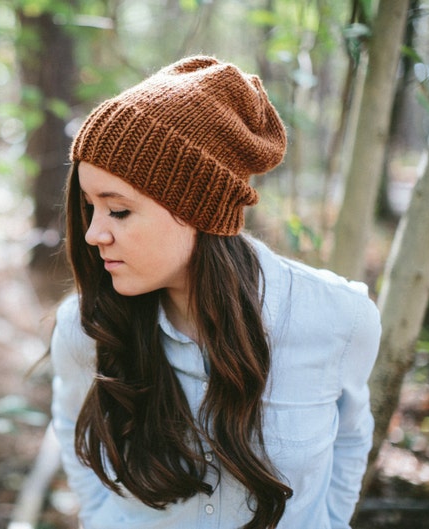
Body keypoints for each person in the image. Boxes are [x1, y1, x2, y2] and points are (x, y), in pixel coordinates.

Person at [49, 55, 381, 529]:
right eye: (89, 207)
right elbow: (73, 428)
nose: (93, 233)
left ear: (199, 209)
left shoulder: (340, 320)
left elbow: (349, 438)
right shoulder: (89, 326)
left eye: (118, 211)